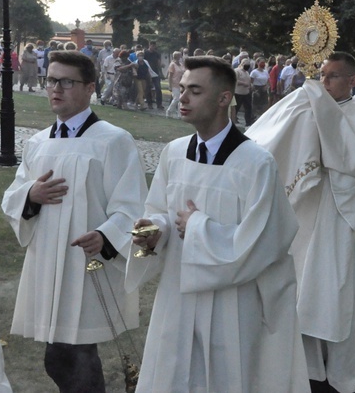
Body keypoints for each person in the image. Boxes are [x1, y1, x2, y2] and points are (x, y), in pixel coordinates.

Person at [127, 56, 308, 392]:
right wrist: (156, 231)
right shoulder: (174, 152)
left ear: (224, 98)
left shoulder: (256, 163)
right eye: (181, 89)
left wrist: (197, 228)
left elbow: (265, 242)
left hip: (232, 303)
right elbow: (161, 212)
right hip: (177, 293)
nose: (181, 98)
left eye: (194, 91)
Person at [1, 50, 147, 391]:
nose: (56, 88)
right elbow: (14, 196)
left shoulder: (113, 141)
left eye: (67, 82)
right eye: (51, 80)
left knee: (74, 355)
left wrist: (106, 236)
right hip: (48, 262)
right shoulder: (38, 143)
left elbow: (133, 204)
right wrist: (31, 197)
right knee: (60, 355)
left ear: (90, 88)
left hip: (86, 264)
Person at [246, 51, 355, 393]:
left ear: (353, 80)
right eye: (321, 75)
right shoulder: (311, 109)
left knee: (335, 296)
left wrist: (320, 142)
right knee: (303, 295)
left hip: (340, 224)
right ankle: (306, 373)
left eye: (333, 76)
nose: (323, 82)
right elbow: (274, 142)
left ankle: (339, 378)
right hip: (306, 219)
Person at [143, 41, 164, 109]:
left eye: (154, 46)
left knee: (158, 88)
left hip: (155, 72)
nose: (153, 47)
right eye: (152, 45)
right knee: (148, 88)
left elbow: (158, 62)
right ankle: (149, 104)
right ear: (149, 45)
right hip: (147, 72)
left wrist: (161, 70)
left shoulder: (157, 53)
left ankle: (159, 104)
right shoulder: (145, 53)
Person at [234, 59, 253, 125]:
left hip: (246, 92)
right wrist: (243, 83)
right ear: (242, 64)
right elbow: (235, 80)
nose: (247, 66)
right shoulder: (237, 71)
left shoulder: (247, 72)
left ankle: (248, 122)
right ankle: (233, 121)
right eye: (246, 64)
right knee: (236, 108)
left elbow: (249, 80)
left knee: (248, 108)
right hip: (238, 93)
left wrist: (250, 86)